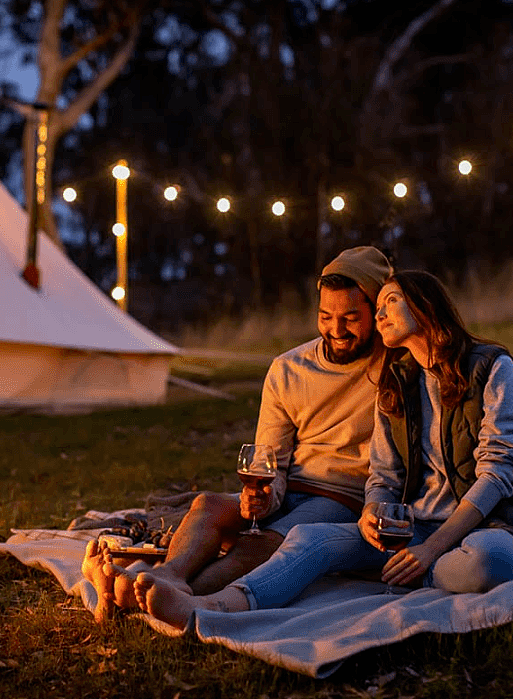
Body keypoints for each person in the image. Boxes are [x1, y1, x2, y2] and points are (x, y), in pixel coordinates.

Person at [129, 270, 513, 629]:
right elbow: (384, 475)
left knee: (488, 564)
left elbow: (497, 474)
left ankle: (404, 570)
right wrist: (372, 512)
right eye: (377, 305)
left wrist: (431, 550)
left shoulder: (492, 368)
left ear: (423, 308)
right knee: (310, 539)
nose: (378, 313)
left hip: (493, 528)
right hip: (412, 528)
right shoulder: (397, 378)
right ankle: (211, 607)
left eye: (389, 303)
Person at [81, 246, 394, 621]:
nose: (336, 330)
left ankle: (167, 594)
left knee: (261, 542)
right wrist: (263, 497)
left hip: (343, 499)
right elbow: (270, 460)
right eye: (326, 316)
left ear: (378, 313)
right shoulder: (289, 369)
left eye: (351, 318)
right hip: (293, 487)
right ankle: (165, 575)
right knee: (208, 505)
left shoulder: (395, 366)